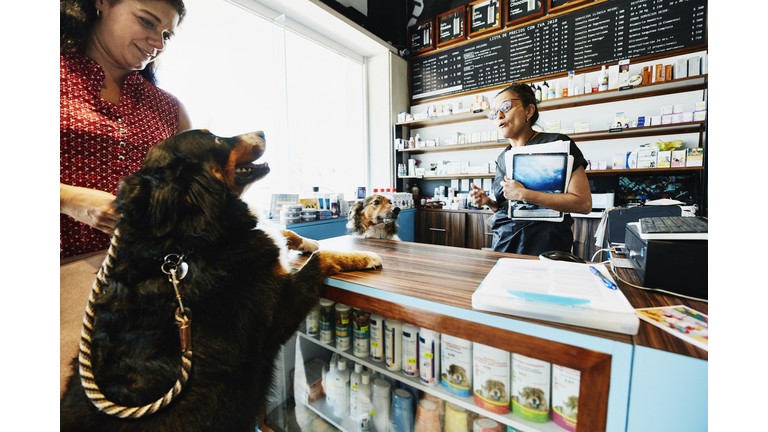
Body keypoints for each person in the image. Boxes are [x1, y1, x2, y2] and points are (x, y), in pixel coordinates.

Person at [60, 0, 192, 259]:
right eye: (147, 22)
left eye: (166, 34)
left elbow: (192, 191)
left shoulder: (170, 109)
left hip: (147, 276)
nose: (159, 44)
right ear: (103, 3)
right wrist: (68, 199)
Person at [469, 82, 592, 256]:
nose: (499, 116)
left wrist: (526, 194)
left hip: (547, 247)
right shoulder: (503, 158)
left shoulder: (557, 144)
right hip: (505, 244)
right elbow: (507, 209)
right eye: (494, 113)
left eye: (506, 107)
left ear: (529, 111)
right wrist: (488, 202)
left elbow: (584, 204)